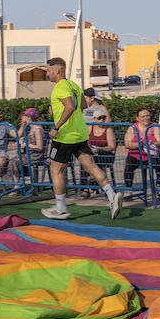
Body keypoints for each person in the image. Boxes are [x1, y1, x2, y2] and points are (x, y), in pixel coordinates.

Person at [40, 57, 122, 220]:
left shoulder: (60, 87)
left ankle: (61, 208)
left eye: (48, 70)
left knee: (56, 170)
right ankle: (112, 196)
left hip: (64, 136)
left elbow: (70, 107)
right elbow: (82, 107)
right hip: (80, 134)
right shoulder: (74, 86)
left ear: (57, 70)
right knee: (90, 166)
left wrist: (56, 127)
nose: (47, 73)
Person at [122, 107, 159, 190]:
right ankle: (128, 188)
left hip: (152, 154)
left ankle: (159, 186)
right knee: (128, 167)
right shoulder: (132, 128)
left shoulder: (155, 126)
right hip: (136, 155)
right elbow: (127, 144)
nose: (146, 118)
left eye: (147, 116)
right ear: (137, 118)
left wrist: (152, 143)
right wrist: (139, 144)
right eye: (143, 116)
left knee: (159, 165)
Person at [85, 107, 118, 189]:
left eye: (104, 118)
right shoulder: (90, 128)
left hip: (105, 154)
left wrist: (100, 149)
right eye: (99, 118)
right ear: (94, 119)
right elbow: (85, 141)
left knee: (95, 159)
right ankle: (86, 188)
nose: (102, 120)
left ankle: (93, 180)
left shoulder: (108, 130)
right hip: (92, 154)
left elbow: (111, 147)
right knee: (84, 159)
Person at [17, 107, 46, 187]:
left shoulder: (37, 129)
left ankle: (18, 185)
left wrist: (26, 144)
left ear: (29, 117)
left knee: (13, 162)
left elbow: (39, 147)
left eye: (24, 116)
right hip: (30, 155)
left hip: (36, 156)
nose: (22, 118)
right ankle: (19, 184)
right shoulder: (31, 127)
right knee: (13, 161)